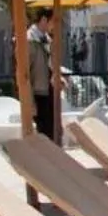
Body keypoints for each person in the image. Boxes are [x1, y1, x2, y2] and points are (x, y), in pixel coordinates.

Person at [25, 8, 66, 141]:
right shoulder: (30, 40)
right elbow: (26, 74)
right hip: (38, 94)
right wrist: (30, 101)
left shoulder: (47, 40)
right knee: (43, 133)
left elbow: (50, 65)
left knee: (54, 131)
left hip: (49, 92)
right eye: (53, 21)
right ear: (44, 20)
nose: (54, 25)